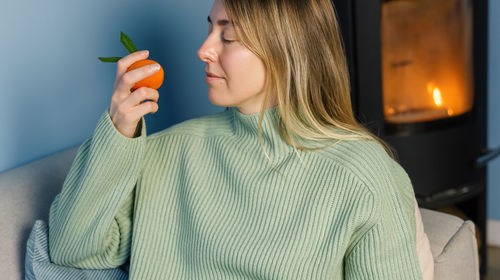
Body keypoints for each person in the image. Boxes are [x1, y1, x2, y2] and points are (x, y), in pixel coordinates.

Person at [46, 0, 430, 279]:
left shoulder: (362, 175)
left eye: (227, 36)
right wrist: (118, 129)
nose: (203, 49)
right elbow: (70, 247)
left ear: (285, 51)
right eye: (209, 28)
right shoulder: (171, 151)